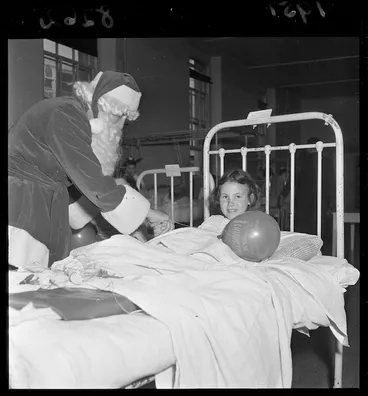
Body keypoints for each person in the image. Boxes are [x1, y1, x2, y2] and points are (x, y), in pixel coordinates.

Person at [8, 70, 173, 271]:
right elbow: (93, 182)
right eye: (118, 115)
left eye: (125, 119)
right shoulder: (65, 114)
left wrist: (136, 226)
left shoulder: (74, 119)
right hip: (21, 202)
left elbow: (80, 197)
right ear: (99, 103)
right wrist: (148, 213)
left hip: (42, 202)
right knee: (21, 283)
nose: (120, 126)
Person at [199, 169, 260, 234]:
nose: (230, 203)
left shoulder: (256, 225)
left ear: (250, 199)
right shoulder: (213, 223)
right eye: (225, 197)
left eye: (238, 196)